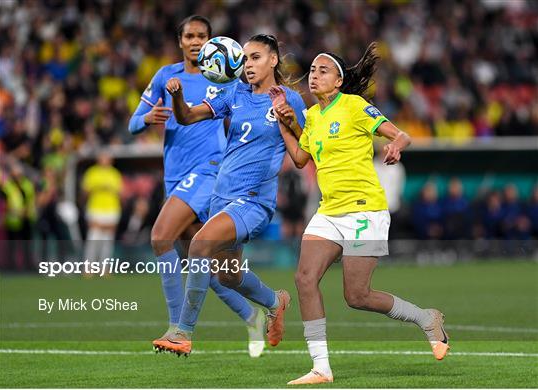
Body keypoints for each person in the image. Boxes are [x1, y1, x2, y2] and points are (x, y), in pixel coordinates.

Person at [272, 43, 449, 385]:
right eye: (312, 71)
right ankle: (321, 368)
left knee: (357, 296)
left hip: (365, 208)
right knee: (304, 278)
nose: (315, 76)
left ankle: (426, 318)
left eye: (323, 71)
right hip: (329, 210)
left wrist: (396, 145)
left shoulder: (353, 106)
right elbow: (299, 158)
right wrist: (285, 124)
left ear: (338, 82)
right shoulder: (311, 117)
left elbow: (401, 134)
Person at [128, 15, 265, 357]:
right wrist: (146, 119)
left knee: (160, 237)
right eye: (189, 35)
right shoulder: (165, 76)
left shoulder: (226, 81)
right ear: (180, 41)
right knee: (210, 266)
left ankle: (177, 329)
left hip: (209, 170)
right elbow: (133, 124)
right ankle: (257, 311)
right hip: (176, 176)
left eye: (201, 36)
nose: (195, 41)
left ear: (210, 41)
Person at [163, 33, 307, 356]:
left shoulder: (288, 98)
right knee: (227, 276)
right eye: (244, 58)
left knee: (198, 244)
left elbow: (302, 157)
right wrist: (177, 96)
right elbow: (186, 116)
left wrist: (291, 121)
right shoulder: (235, 92)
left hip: (255, 200)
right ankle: (275, 302)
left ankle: (181, 333)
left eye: (255, 57)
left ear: (273, 60)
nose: (248, 64)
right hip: (222, 198)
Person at [81, 151, 122, 271]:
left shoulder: (115, 174)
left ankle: (105, 268)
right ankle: (88, 267)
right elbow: (85, 192)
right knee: (94, 237)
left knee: (107, 240)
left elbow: (120, 193)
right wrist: (98, 188)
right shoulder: (92, 173)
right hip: (95, 209)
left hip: (111, 209)